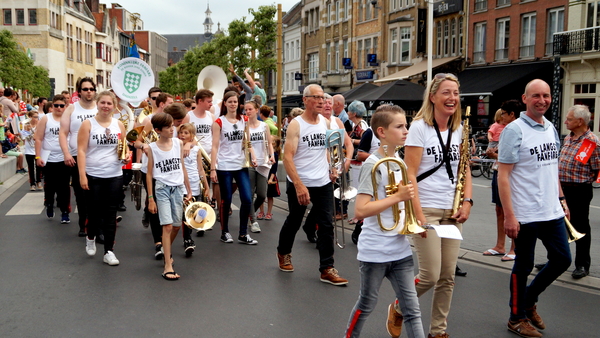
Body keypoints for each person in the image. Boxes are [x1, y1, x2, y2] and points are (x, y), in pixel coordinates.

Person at [387, 73, 472, 338]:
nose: (452, 98)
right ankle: (399, 307)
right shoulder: (419, 128)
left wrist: (467, 201)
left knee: (448, 276)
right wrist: (419, 215)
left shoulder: (459, 129)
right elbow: (410, 173)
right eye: (446, 92)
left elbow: (464, 167)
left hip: (453, 210)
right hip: (427, 210)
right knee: (430, 274)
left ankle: (438, 332)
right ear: (433, 97)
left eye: (456, 93)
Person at [498, 79, 572, 338]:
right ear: (525, 98)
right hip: (525, 213)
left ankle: (527, 300)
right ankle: (516, 318)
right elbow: (503, 175)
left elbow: (552, 170)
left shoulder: (550, 127)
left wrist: (562, 201)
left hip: (551, 211)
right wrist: (509, 215)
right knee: (524, 264)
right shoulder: (514, 130)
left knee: (563, 258)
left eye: (547, 95)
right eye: (537, 96)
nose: (542, 100)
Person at [344, 105, 424, 338]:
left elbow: (401, 205)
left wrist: (416, 222)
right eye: (399, 127)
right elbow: (360, 210)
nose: (406, 131)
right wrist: (397, 197)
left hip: (400, 249)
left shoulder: (398, 158)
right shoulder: (373, 164)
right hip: (375, 251)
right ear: (381, 131)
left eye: (406, 126)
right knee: (366, 304)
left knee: (412, 310)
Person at [276, 84, 348, 285]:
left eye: (322, 97)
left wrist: (332, 168)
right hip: (300, 181)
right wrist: (299, 185)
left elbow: (326, 150)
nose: (321, 101)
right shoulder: (296, 125)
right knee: (295, 220)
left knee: (326, 223)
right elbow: (288, 157)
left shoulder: (325, 123)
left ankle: (327, 268)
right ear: (305, 100)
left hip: (322, 181)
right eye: (315, 97)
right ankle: (283, 252)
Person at [77, 91, 128, 266]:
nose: (106, 106)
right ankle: (90, 237)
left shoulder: (119, 124)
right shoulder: (87, 124)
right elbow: (81, 151)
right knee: (94, 212)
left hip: (114, 174)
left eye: (109, 103)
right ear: (97, 104)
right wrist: (82, 175)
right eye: (103, 103)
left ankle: (109, 251)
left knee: (111, 214)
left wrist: (127, 156)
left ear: (114, 107)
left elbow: (124, 148)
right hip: (93, 174)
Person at [146, 112, 193, 280]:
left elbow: (182, 167)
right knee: (166, 226)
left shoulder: (178, 143)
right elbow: (149, 173)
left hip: (178, 187)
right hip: (162, 188)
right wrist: (151, 198)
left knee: (176, 226)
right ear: (158, 130)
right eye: (168, 127)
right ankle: (168, 265)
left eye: (172, 125)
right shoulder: (152, 147)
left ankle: (166, 250)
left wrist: (189, 190)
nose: (172, 129)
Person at [210, 90, 258, 245]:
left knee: (246, 198)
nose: (232, 104)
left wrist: (254, 157)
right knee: (227, 199)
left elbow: (247, 142)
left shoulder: (244, 119)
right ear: (225, 103)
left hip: (240, 165)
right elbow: (215, 146)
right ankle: (225, 232)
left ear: (239, 104)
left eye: (235, 102)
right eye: (230, 101)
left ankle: (243, 234)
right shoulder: (219, 122)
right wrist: (212, 169)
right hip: (224, 165)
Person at [558, 104, 599, 279]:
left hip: (578, 189)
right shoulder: (569, 137)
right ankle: (557, 259)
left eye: (569, 119)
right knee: (558, 226)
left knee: (580, 227)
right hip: (562, 188)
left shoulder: (591, 141)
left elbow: (596, 168)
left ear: (580, 121)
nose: (566, 121)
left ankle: (582, 264)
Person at [134, 92, 174, 259]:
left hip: (169, 169)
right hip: (150, 167)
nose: (173, 105)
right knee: (156, 205)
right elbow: (136, 140)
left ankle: (165, 237)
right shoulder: (149, 121)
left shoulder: (173, 122)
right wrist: (144, 146)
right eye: (170, 103)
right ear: (162, 104)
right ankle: (158, 242)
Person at [59, 77, 97, 238]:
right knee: (81, 193)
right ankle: (83, 223)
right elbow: (63, 132)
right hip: (76, 156)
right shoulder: (72, 109)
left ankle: (97, 225)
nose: (89, 92)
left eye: (91, 89)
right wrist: (66, 153)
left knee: (97, 194)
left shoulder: (100, 107)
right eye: (85, 89)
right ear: (79, 92)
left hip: (96, 157)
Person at [483, 100, 521, 261]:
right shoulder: (505, 130)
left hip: (511, 175)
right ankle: (500, 245)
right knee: (499, 209)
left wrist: (495, 155)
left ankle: (514, 248)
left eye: (504, 114)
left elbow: (516, 159)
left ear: (512, 114)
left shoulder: (518, 130)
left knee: (512, 211)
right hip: (498, 171)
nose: (501, 117)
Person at [35, 95, 71, 224]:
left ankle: (65, 211)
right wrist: (38, 156)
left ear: (66, 107)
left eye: (62, 106)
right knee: (50, 186)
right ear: (52, 106)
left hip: (64, 157)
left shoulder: (69, 119)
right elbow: (38, 138)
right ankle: (49, 204)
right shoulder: (46, 119)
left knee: (64, 187)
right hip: (48, 158)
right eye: (56, 105)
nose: (59, 108)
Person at [178, 123, 209, 255]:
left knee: (197, 212)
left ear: (192, 136)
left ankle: (196, 229)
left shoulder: (196, 150)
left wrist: (207, 187)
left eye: (186, 133)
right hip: (182, 184)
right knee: (186, 214)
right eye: (181, 133)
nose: (183, 135)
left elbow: (200, 169)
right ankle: (187, 239)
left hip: (195, 183)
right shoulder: (177, 147)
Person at [246, 99, 275, 233]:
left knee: (262, 194)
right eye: (246, 110)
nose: (248, 112)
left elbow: (269, 143)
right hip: (250, 163)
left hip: (263, 162)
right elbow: (247, 145)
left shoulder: (264, 126)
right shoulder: (245, 126)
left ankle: (248, 213)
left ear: (256, 110)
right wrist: (252, 156)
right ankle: (253, 221)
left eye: (250, 109)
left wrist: (272, 155)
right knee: (250, 193)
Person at [347, 100, 369, 224]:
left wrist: (351, 141)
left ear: (354, 113)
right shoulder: (359, 124)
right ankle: (358, 215)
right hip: (356, 162)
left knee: (359, 189)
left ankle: (359, 216)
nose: (347, 113)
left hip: (360, 163)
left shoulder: (361, 125)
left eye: (349, 111)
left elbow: (365, 141)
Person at [258, 135, 281, 220]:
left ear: (273, 144)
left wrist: (271, 178)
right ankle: (261, 211)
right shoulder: (263, 152)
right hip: (262, 174)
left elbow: (274, 169)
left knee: (270, 196)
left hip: (270, 176)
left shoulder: (274, 154)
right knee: (261, 195)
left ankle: (269, 212)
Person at [22, 110, 43, 190]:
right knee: (30, 167)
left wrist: (34, 130)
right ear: (30, 117)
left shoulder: (39, 125)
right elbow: (24, 138)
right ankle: (32, 184)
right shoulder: (26, 126)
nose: (36, 119)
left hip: (37, 149)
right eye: (35, 117)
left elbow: (39, 137)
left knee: (39, 167)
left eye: (37, 117)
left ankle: (39, 182)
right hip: (29, 149)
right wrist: (28, 130)